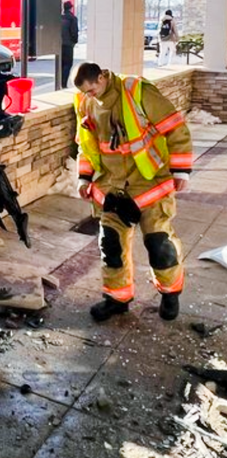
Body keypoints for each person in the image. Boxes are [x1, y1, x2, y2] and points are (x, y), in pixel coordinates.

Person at [73, 62, 193, 322]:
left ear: (103, 76)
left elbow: (174, 126)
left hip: (150, 183)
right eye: (86, 92)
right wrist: (83, 178)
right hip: (113, 189)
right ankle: (117, 299)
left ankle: (170, 294)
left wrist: (181, 169)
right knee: (111, 244)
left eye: (93, 89)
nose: (90, 95)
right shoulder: (85, 103)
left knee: (159, 244)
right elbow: (86, 146)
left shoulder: (136, 90)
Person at [60, 1, 79, 87]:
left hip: (59, 44)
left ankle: (60, 82)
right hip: (68, 45)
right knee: (68, 64)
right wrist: (74, 42)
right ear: (71, 8)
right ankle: (64, 83)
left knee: (61, 64)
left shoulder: (59, 18)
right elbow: (74, 32)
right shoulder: (73, 18)